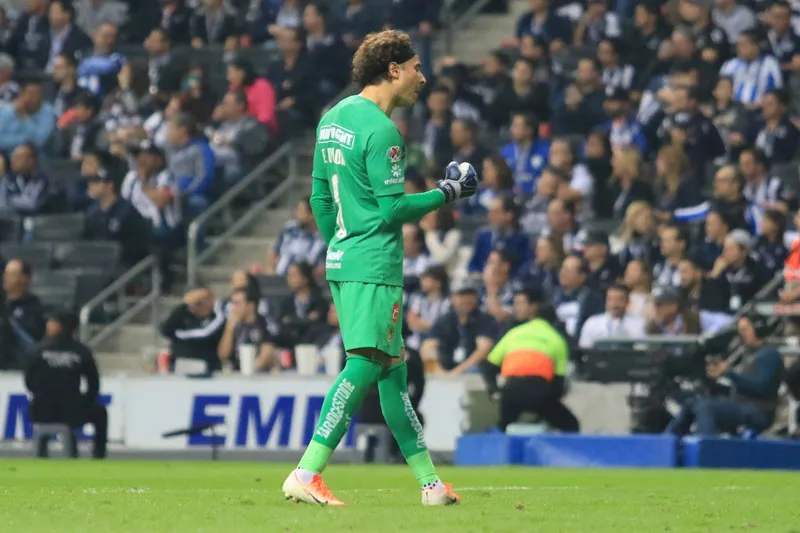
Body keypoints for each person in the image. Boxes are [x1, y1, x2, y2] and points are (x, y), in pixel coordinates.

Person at [283, 30, 478, 507]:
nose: (422, 77)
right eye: (415, 68)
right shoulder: (383, 130)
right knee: (367, 364)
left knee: (393, 374)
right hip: (374, 266)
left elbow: (319, 199)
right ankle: (307, 471)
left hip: (347, 260)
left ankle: (431, 485)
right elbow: (392, 212)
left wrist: (342, 245)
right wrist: (450, 191)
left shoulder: (332, 120)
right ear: (393, 70)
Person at [667, 313, 784, 437]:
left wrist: (729, 374)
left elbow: (760, 386)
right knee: (691, 403)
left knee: (706, 407)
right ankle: (667, 442)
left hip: (758, 410)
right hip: (739, 404)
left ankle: (703, 447)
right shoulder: (744, 352)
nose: (741, 334)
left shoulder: (769, 355)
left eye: (745, 329)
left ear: (758, 329)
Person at [486, 296, 579, 433]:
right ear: (554, 321)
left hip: (511, 390)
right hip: (539, 390)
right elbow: (559, 380)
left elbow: (490, 365)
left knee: (504, 427)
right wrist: (549, 403)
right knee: (571, 425)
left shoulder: (514, 333)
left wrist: (494, 389)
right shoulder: (557, 339)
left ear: (532, 318)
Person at [25, 310, 107, 459]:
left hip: (41, 410)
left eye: (52, 323)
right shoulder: (82, 352)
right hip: (72, 409)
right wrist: (83, 402)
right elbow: (93, 385)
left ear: (60, 326)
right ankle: (98, 455)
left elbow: (29, 382)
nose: (48, 326)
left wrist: (42, 396)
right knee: (100, 412)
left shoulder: (36, 350)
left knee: (34, 404)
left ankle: (41, 452)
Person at [217, 287, 276, 373]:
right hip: (234, 373)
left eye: (237, 303)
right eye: (232, 303)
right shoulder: (230, 324)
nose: (233, 308)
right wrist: (229, 329)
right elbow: (223, 355)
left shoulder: (264, 324)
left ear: (250, 305)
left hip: (259, 374)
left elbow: (267, 354)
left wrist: (250, 370)